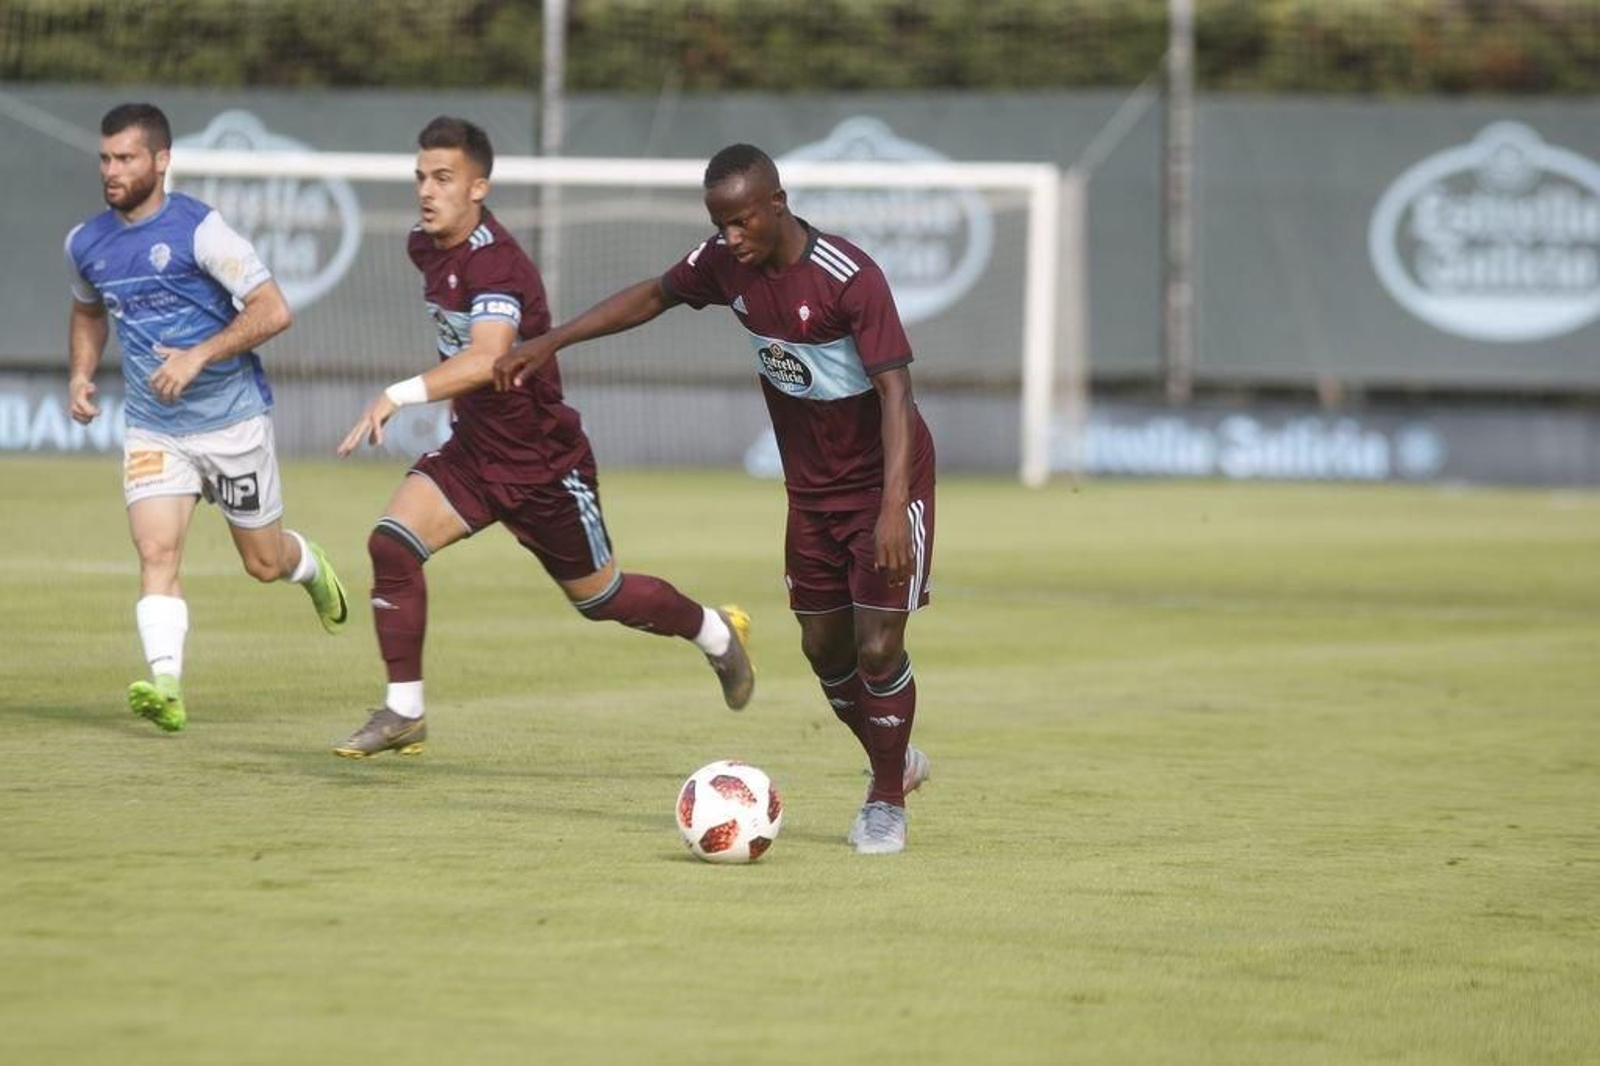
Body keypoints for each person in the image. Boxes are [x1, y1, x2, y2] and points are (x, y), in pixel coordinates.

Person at [492, 144, 934, 855]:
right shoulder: (727, 264)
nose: (728, 239)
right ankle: (898, 757)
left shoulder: (848, 279)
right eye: (719, 225)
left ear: (776, 206)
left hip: (887, 483)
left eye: (739, 223)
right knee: (825, 649)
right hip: (811, 491)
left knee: (878, 648)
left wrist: (891, 510)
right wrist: (551, 342)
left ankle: (885, 799)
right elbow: (651, 295)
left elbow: (896, 392)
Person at [332, 116, 753, 759]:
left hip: (543, 465)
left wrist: (398, 394)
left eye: (444, 178)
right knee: (391, 547)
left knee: (602, 599)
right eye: (420, 176)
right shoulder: (425, 245)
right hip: (475, 453)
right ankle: (404, 712)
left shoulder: (497, 264)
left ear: (479, 188)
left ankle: (715, 633)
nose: (426, 190)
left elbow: (487, 360)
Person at [65, 102, 349, 734]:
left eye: (126, 158)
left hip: (231, 422)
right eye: (105, 158)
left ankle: (307, 564)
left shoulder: (202, 232)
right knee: (156, 550)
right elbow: (89, 310)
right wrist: (82, 374)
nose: (112, 170)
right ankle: (167, 684)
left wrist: (199, 355)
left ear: (161, 161)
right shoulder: (86, 242)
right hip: (153, 425)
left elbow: (274, 311)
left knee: (263, 563)